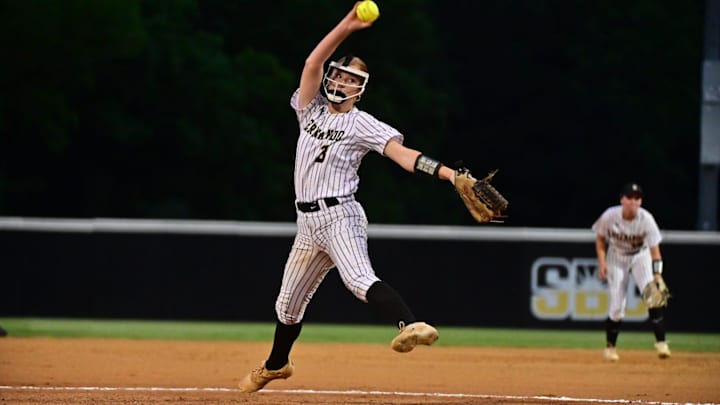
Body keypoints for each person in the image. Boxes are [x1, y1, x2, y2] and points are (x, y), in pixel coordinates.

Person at [237, 1, 458, 393]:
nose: (340, 81)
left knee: (358, 280)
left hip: (340, 216)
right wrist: (348, 25)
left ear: (361, 87)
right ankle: (276, 364)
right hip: (306, 224)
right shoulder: (311, 112)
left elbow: (402, 156)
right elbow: (310, 63)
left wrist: (448, 174)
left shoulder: (362, 123)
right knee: (287, 306)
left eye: (350, 78)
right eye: (337, 74)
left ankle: (411, 324)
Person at [592, 182, 671, 362]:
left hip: (640, 257)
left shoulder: (646, 219)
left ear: (641, 201)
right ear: (622, 199)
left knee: (653, 296)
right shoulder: (610, 216)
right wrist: (602, 262)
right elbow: (600, 240)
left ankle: (661, 343)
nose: (633, 202)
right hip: (616, 257)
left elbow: (655, 252)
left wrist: (657, 275)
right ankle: (610, 347)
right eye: (629, 198)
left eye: (637, 198)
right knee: (617, 306)